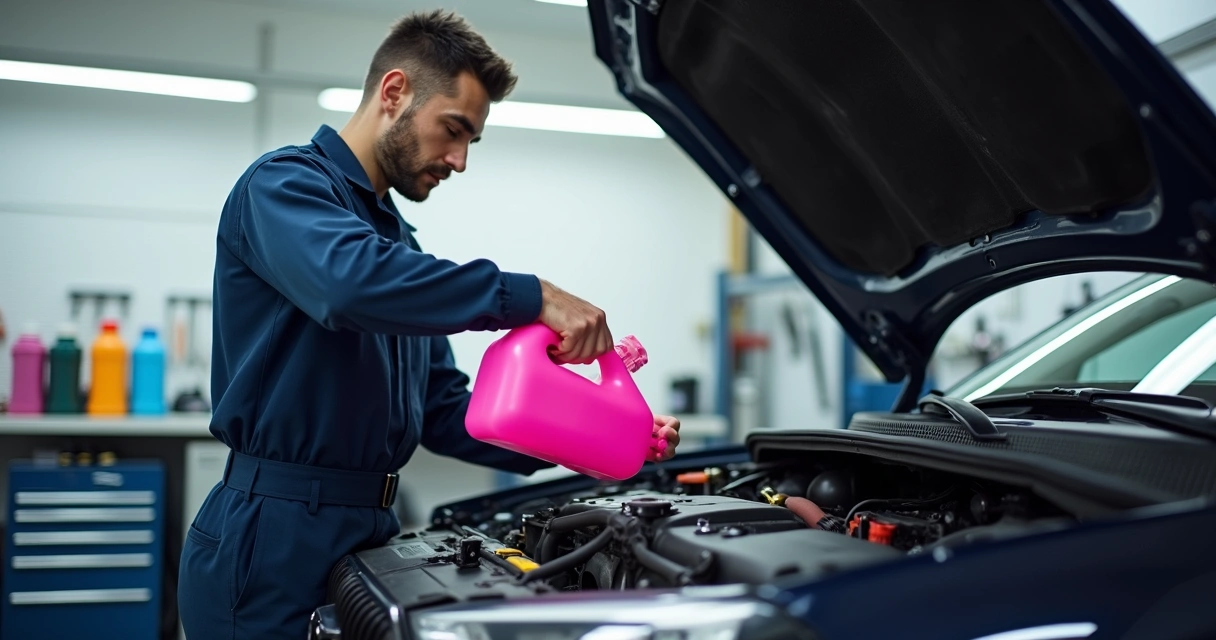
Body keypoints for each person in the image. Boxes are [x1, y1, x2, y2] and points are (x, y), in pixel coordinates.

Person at [177, 9, 681, 639]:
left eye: (471, 141)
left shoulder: (399, 246)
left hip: (367, 533)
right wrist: (534, 296)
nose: (460, 160)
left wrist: (604, 437)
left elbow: (447, 411)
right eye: (453, 129)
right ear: (394, 93)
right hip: (272, 538)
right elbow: (346, 284)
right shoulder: (283, 187)